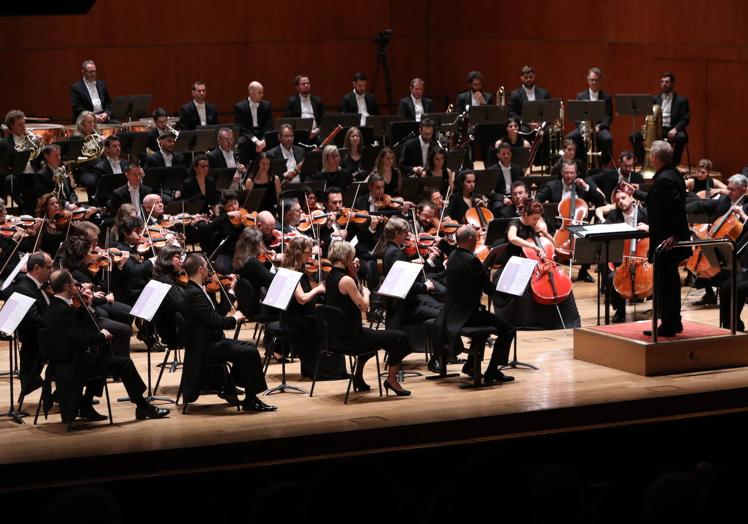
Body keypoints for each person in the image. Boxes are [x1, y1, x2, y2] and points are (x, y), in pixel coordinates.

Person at [44, 269, 169, 424]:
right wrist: (102, 335)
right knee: (124, 363)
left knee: (103, 358)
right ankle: (142, 406)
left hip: (63, 363)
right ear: (68, 285)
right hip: (73, 365)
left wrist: (88, 306)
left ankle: (86, 406)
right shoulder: (64, 311)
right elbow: (81, 338)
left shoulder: (53, 306)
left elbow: (78, 330)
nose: (77, 286)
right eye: (74, 283)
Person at [180, 253, 276, 412]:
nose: (210, 272)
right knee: (250, 352)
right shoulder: (194, 294)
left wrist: (231, 292)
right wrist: (235, 318)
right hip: (204, 348)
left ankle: (229, 387)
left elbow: (217, 313)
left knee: (247, 348)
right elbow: (217, 322)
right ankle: (250, 399)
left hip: (211, 342)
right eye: (207, 267)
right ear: (202, 270)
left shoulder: (199, 290)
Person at [325, 241, 413, 395]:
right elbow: (364, 307)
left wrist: (354, 275)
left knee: (371, 346)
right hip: (352, 337)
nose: (353, 259)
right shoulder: (346, 280)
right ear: (345, 256)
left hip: (335, 336)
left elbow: (349, 297)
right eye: (352, 256)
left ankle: (358, 377)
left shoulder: (331, 276)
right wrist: (367, 293)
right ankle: (392, 380)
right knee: (400, 338)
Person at [623, 141, 690, 336]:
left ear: (655, 157)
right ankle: (674, 322)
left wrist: (675, 235)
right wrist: (634, 192)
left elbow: (677, 208)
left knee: (666, 285)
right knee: (671, 283)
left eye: (651, 154)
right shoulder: (671, 174)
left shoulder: (664, 179)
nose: (650, 157)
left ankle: (668, 326)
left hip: (667, 241)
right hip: (668, 239)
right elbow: (657, 201)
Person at [438, 225, 514, 384]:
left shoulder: (452, 255)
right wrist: (506, 293)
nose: (478, 241)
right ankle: (492, 371)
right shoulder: (472, 260)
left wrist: (482, 270)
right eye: (477, 238)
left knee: (485, 318)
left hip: (453, 311)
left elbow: (469, 280)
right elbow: (487, 288)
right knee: (508, 329)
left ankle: (470, 365)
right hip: (468, 314)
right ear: (471, 239)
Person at [492, 200, 581, 330]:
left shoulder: (533, 225)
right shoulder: (515, 223)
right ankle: (530, 322)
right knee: (527, 286)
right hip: (516, 264)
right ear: (526, 215)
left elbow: (554, 245)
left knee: (560, 283)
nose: (536, 221)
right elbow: (512, 238)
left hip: (535, 264)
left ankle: (568, 320)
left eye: (538, 218)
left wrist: (544, 233)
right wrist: (531, 245)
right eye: (535, 218)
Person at [282, 236, 347, 380]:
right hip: (296, 320)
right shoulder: (292, 271)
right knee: (328, 328)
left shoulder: (300, 269)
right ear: (298, 252)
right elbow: (302, 299)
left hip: (303, 315)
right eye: (307, 253)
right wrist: (318, 289)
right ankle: (325, 371)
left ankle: (330, 369)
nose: (310, 256)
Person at [603, 190, 649, 323]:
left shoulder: (645, 213)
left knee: (658, 275)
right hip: (623, 259)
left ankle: (659, 309)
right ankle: (620, 311)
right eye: (618, 200)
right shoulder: (614, 215)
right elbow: (605, 230)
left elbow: (660, 229)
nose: (621, 201)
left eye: (623, 198)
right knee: (613, 277)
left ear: (632, 198)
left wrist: (649, 227)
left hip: (643, 258)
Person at [11, 251, 53, 395]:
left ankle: (66, 395)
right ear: (37, 268)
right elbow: (34, 319)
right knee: (77, 353)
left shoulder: (40, 285)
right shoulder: (24, 288)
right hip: (38, 341)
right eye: (49, 267)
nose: (52, 271)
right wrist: (56, 325)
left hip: (45, 335)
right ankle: (67, 396)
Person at [630, 72, 690, 166]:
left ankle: (673, 165)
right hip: (657, 129)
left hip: (672, 129)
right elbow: (648, 116)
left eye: (667, 82)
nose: (664, 84)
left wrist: (675, 129)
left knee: (681, 138)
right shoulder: (655, 99)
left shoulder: (681, 100)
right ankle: (644, 163)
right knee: (634, 136)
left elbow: (685, 118)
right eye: (662, 82)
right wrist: (646, 128)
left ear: (672, 83)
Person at [566, 67, 613, 166]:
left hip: (599, 127)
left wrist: (598, 127)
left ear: (600, 81)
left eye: (596, 80)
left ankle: (601, 164)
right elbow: (577, 117)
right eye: (592, 80)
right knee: (570, 138)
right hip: (584, 127)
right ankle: (578, 163)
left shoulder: (606, 97)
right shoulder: (580, 96)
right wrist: (582, 128)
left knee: (607, 139)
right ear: (588, 80)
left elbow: (608, 117)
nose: (594, 82)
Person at [235, 81, 273, 164]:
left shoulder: (267, 105)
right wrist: (255, 141)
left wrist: (263, 140)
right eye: (259, 93)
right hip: (248, 135)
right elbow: (241, 127)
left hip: (262, 133)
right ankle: (244, 169)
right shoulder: (240, 107)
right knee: (241, 142)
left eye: (262, 92)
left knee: (273, 139)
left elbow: (268, 125)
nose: (262, 95)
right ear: (251, 92)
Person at [487, 141, 524, 215]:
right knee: (498, 207)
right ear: (498, 155)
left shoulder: (518, 168)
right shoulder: (491, 170)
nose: (506, 156)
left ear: (511, 154)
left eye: (508, 154)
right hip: (500, 199)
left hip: (516, 196)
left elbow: (522, 185)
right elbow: (489, 192)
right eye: (503, 154)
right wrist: (503, 198)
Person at [284, 74, 324, 141]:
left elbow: (323, 120)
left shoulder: (317, 101)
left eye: (308, 83)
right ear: (297, 87)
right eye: (303, 84)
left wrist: (317, 130)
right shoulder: (292, 101)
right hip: (299, 135)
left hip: (316, 134)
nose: (306, 85)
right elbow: (288, 121)